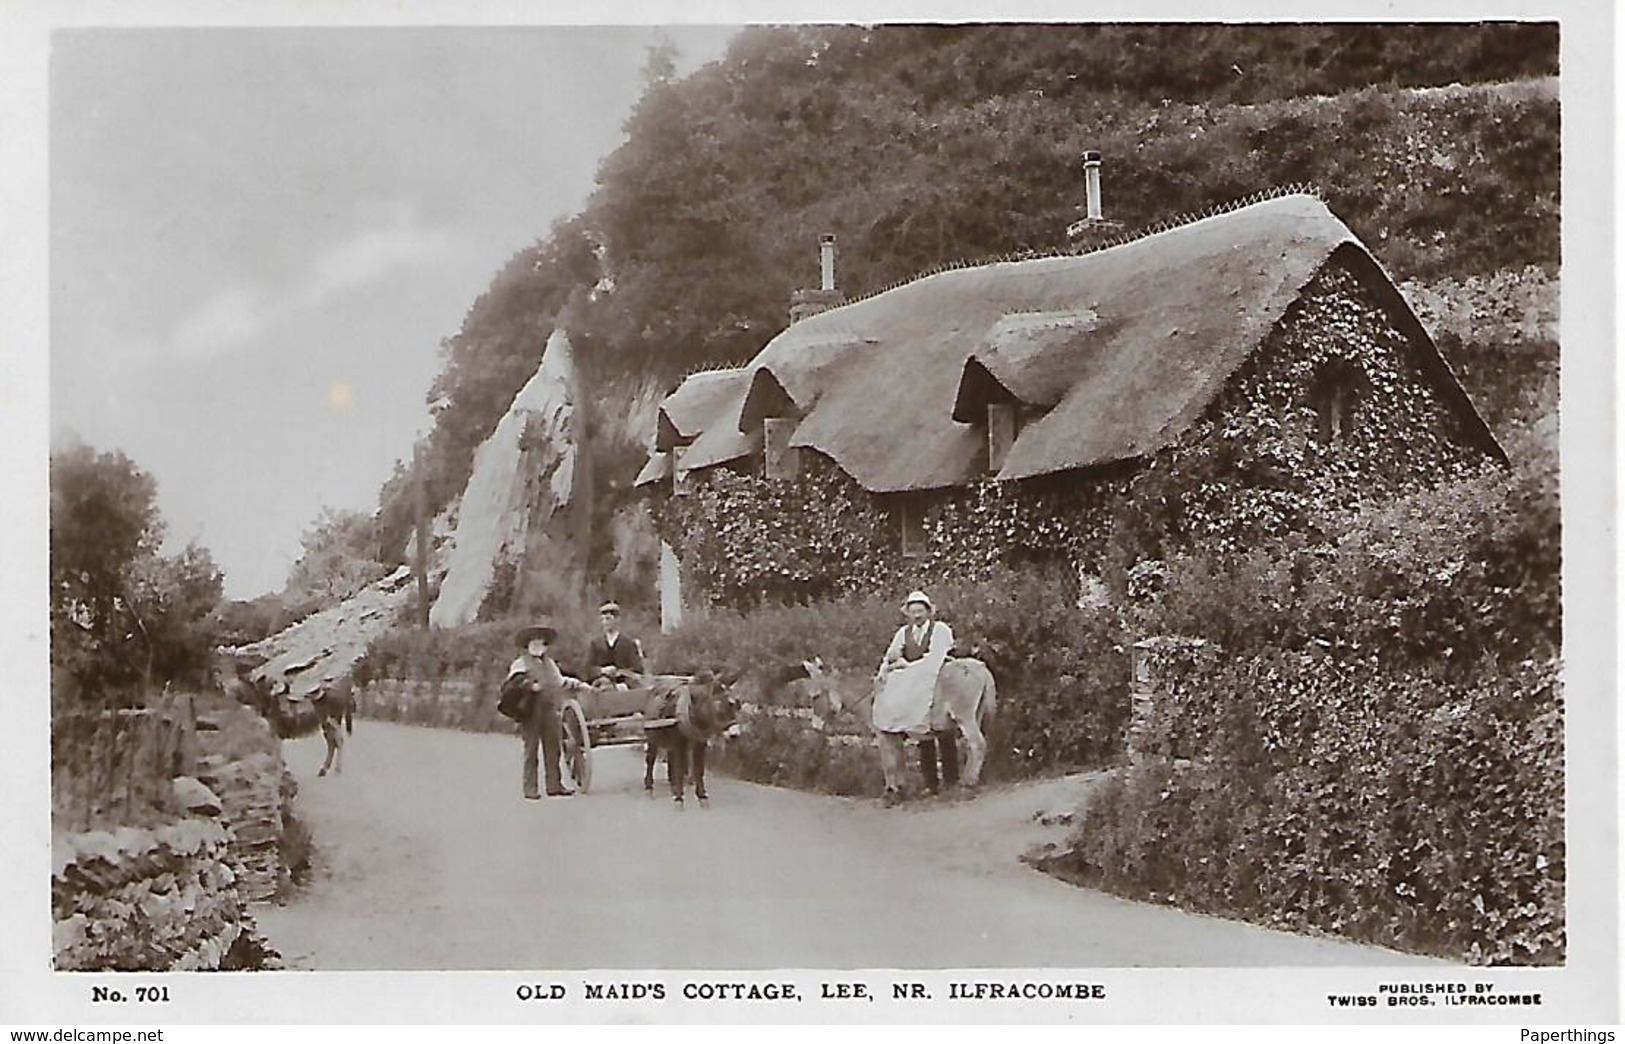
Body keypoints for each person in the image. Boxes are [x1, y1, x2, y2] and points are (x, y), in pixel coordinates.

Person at [872, 590, 960, 804]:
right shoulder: (904, 633)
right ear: (908, 614)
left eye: (921, 611)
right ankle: (931, 784)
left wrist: (908, 666)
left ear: (928, 612)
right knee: (921, 733)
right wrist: (884, 672)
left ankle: (951, 781)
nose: (917, 616)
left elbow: (936, 657)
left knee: (944, 730)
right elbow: (891, 655)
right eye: (913, 612)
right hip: (914, 686)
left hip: (937, 679)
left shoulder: (940, 630)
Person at [501, 621, 593, 799]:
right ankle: (530, 788)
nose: (538, 646)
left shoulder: (550, 664)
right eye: (534, 642)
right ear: (527, 645)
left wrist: (581, 685)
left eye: (541, 642)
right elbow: (512, 685)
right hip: (530, 710)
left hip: (550, 708)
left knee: (553, 747)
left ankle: (554, 785)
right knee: (531, 749)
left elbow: (560, 681)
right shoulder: (520, 663)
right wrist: (529, 687)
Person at [587, 602, 645, 687]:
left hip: (625, 687)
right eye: (602, 619)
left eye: (608, 619)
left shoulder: (629, 643)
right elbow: (588, 669)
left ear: (617, 619)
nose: (605, 623)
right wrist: (603, 670)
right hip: (601, 686)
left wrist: (620, 672)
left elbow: (638, 669)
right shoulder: (595, 644)